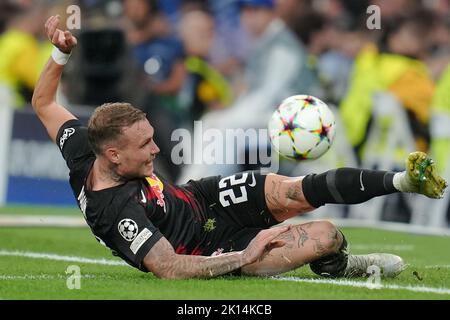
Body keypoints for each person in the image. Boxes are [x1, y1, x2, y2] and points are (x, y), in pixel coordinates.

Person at [31, 15, 448, 280]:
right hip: (207, 248)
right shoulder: (117, 211)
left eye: (152, 136)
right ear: (114, 156)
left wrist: (59, 53)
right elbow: (170, 268)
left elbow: (44, 103)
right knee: (326, 236)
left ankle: (402, 180)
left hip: (202, 198)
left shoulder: (83, 146)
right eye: (145, 144)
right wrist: (244, 254)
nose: (157, 149)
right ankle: (343, 265)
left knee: (292, 191)